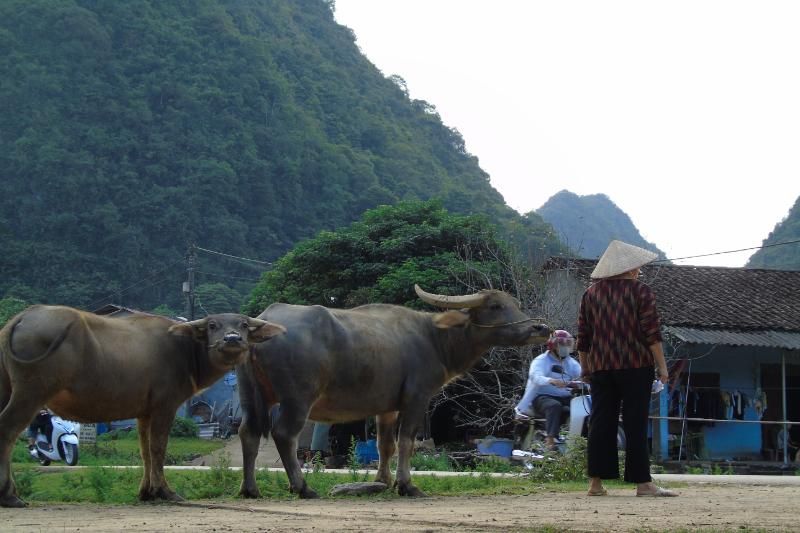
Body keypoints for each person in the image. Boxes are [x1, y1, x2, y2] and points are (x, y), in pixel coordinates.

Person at [577, 240, 677, 497]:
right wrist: (663, 368)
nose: (639, 271)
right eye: (638, 268)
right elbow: (652, 334)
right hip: (635, 365)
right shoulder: (640, 292)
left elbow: (583, 337)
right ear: (631, 269)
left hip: (601, 367)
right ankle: (642, 483)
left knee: (601, 423)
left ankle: (596, 484)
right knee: (635, 423)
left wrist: (585, 368)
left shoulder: (590, 294)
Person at [515, 330, 582, 450]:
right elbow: (535, 377)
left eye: (568, 344)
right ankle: (550, 441)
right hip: (541, 397)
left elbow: (581, 375)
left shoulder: (571, 363)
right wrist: (551, 380)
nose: (565, 347)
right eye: (562, 344)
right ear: (553, 345)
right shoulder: (541, 361)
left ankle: (577, 443)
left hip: (565, 397)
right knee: (554, 405)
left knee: (579, 409)